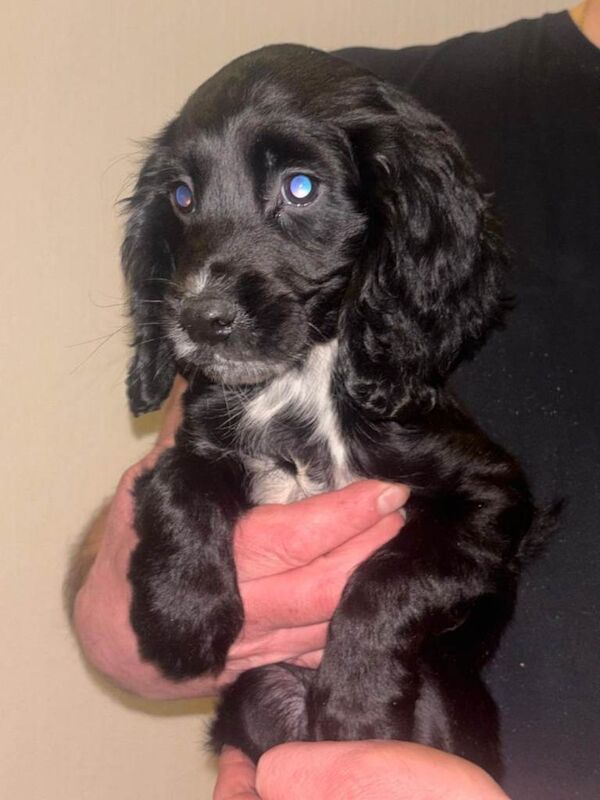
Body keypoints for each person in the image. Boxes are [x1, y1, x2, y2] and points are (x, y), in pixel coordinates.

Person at [72, 3, 600, 798]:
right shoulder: (350, 97)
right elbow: (174, 477)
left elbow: (485, 507)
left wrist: (369, 641)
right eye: (185, 198)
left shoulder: (397, 173)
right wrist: (114, 608)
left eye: (298, 187)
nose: (205, 289)